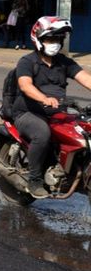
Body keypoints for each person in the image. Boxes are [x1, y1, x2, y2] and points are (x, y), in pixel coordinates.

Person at [13, 16, 91, 198]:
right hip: (28, 112)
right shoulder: (27, 61)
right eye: (50, 39)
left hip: (56, 112)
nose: (55, 43)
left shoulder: (64, 62)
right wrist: (43, 98)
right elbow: (25, 85)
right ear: (39, 40)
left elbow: (85, 78)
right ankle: (34, 180)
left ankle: (69, 170)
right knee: (42, 133)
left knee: (83, 131)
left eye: (58, 39)